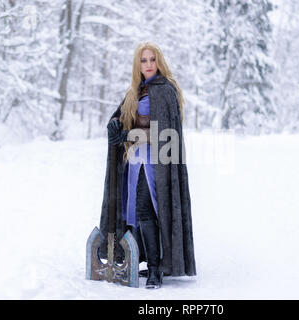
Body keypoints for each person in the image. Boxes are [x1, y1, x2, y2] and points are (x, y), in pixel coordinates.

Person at [98, 42, 196, 289]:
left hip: (158, 163)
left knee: (145, 210)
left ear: (159, 62)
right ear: (137, 64)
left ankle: (155, 268)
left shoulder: (166, 90)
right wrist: (114, 126)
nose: (149, 65)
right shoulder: (135, 90)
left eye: (153, 60)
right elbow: (122, 119)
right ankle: (150, 262)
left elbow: (164, 134)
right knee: (140, 213)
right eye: (144, 60)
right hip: (135, 162)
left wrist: (131, 135)